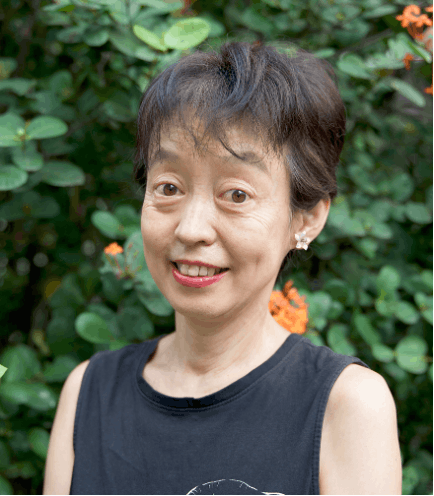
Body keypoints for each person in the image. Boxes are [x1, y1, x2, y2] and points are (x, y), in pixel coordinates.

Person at [69, 41, 401, 495]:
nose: (191, 229)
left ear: (306, 219)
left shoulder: (347, 406)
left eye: (237, 195)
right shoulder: (87, 393)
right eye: (169, 187)